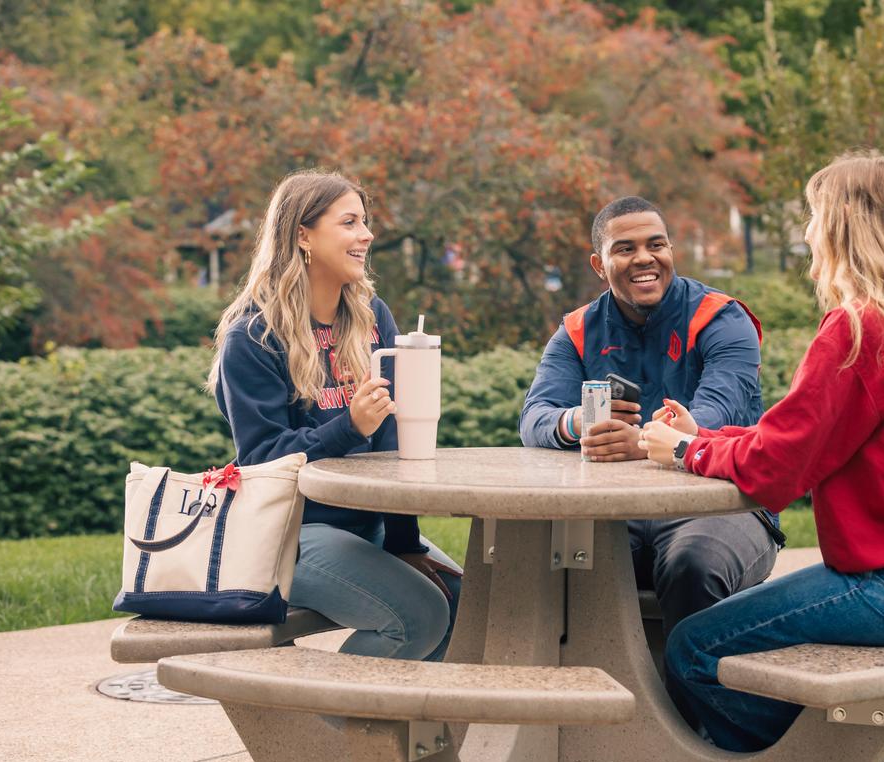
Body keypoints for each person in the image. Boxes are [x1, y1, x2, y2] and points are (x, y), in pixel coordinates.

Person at [639, 153, 884, 752]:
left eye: (812, 216)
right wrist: (702, 438)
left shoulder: (855, 331)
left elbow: (774, 474)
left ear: (840, 225)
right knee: (709, 642)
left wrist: (682, 454)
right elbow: (796, 438)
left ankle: (835, 754)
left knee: (692, 649)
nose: (807, 231)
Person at [207, 170, 462, 661]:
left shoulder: (370, 317)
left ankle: (397, 731)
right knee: (420, 616)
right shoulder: (254, 338)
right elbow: (261, 458)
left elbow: (389, 438)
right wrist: (348, 425)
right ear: (303, 234)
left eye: (364, 222)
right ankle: (328, 731)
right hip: (293, 534)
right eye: (349, 222)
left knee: (466, 601)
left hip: (367, 524)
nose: (366, 234)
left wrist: (405, 540)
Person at [518, 196, 779, 642]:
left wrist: (640, 442)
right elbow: (535, 418)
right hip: (618, 511)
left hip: (720, 506)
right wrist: (580, 424)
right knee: (538, 561)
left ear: (671, 250)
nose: (644, 258)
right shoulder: (577, 330)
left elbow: (719, 414)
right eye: (625, 248)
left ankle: (695, 709)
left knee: (693, 565)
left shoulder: (721, 318)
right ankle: (575, 705)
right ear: (599, 265)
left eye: (656, 244)